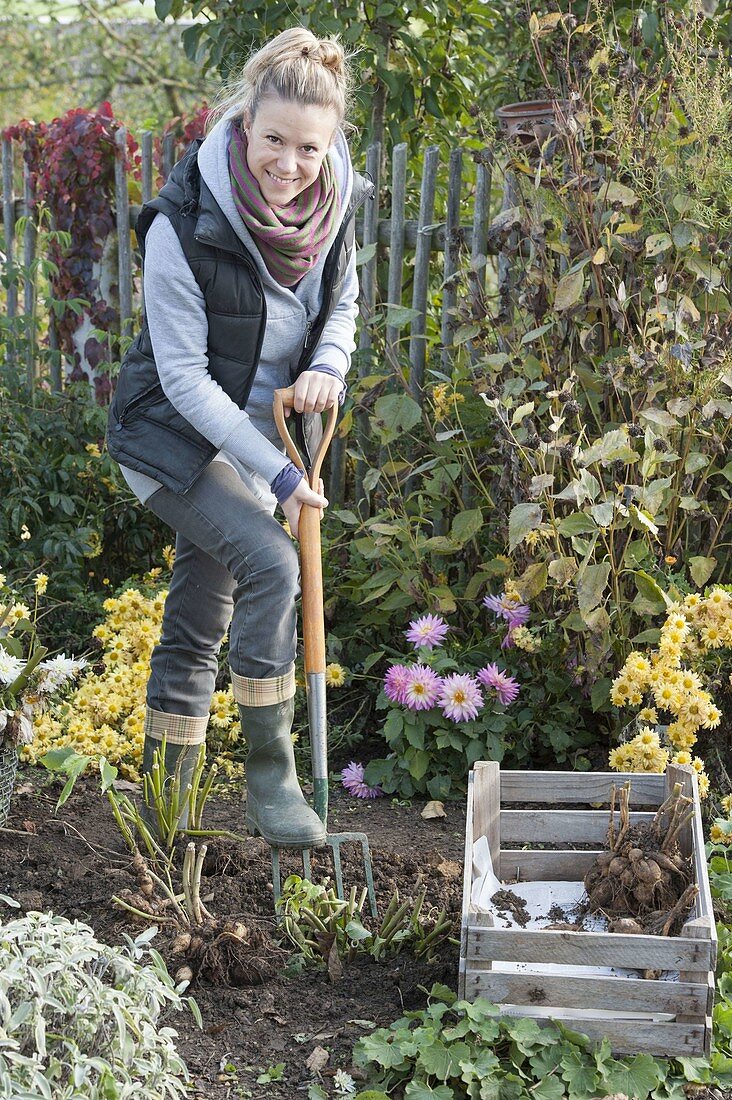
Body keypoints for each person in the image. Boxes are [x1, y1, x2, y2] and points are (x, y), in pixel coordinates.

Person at [106, 27, 372, 848]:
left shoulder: (334, 211)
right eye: (273, 141)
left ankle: (164, 809)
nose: (289, 165)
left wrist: (326, 363)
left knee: (198, 613)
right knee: (272, 560)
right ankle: (271, 780)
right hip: (172, 440)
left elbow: (345, 308)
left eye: (308, 148)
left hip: (262, 447)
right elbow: (185, 383)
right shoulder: (180, 226)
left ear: (330, 146)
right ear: (244, 120)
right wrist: (281, 480)